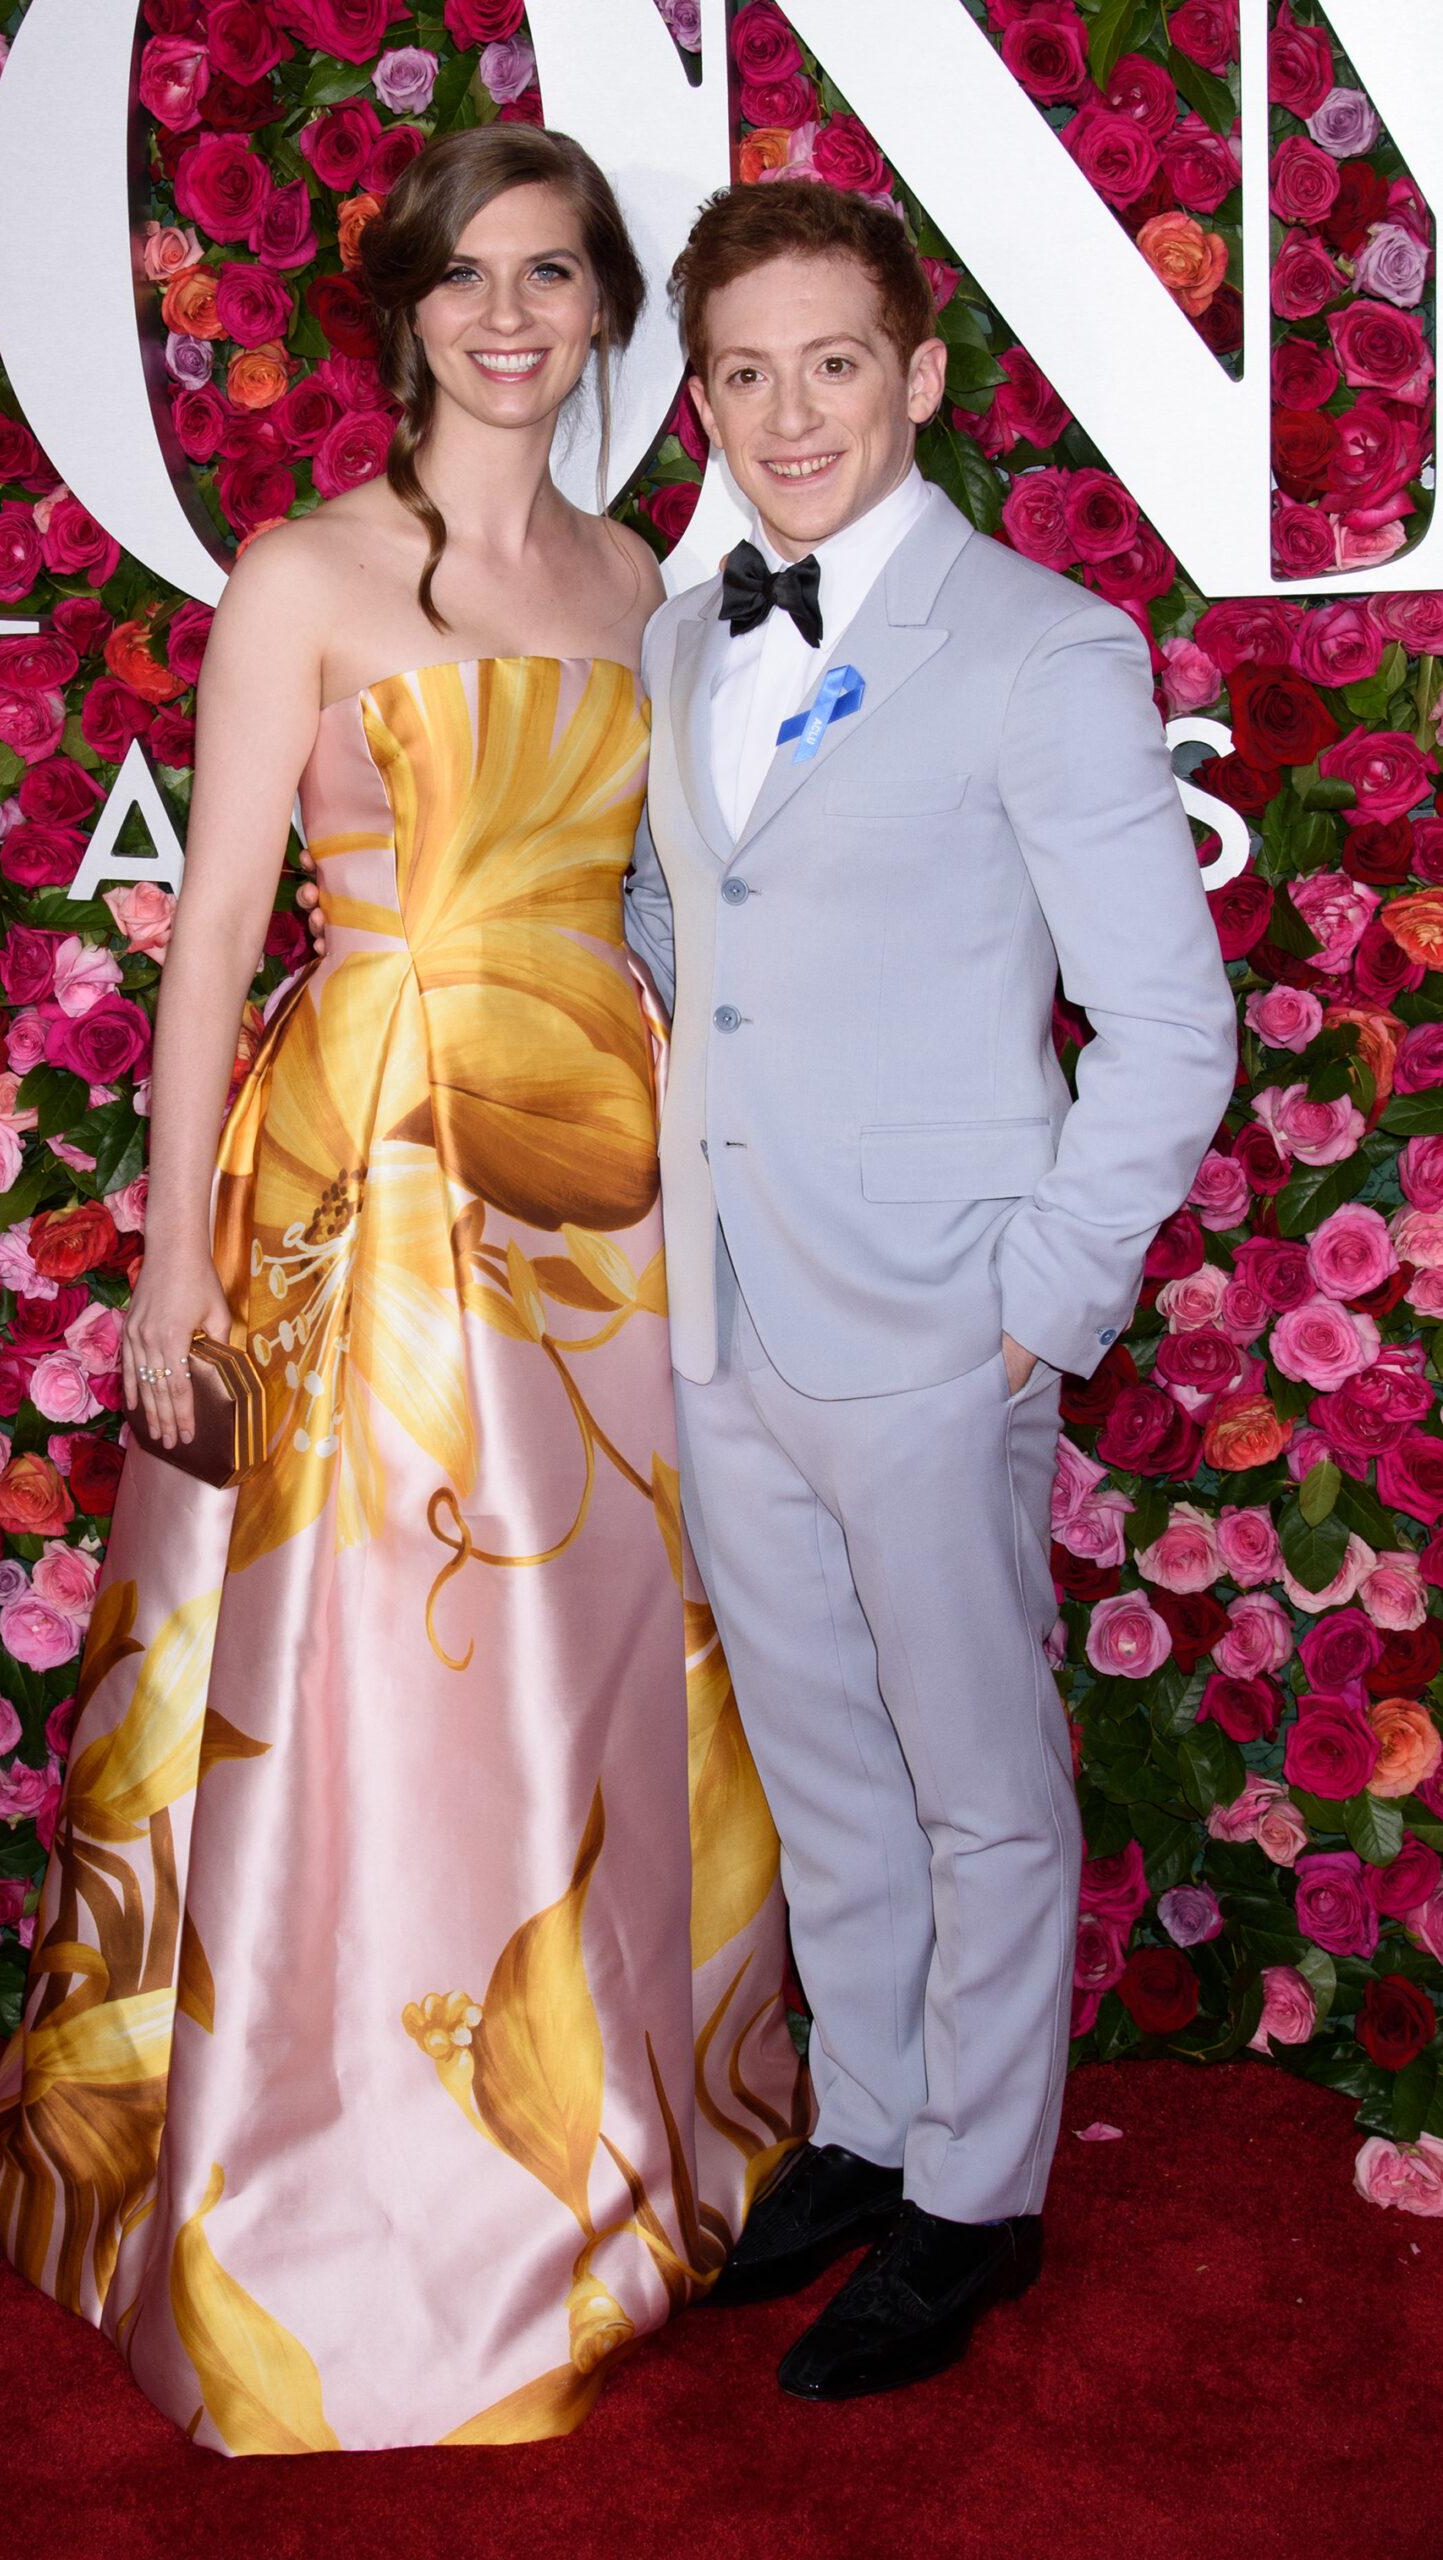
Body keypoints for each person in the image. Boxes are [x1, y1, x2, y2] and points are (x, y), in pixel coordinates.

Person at [0, 127, 806, 2456]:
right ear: (405, 312)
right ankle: (337, 2170)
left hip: (599, 1183)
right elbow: (217, 935)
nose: (509, 316)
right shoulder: (310, 571)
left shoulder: (645, 570)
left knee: (598, 1641)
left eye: (551, 275)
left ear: (606, 308)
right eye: (466, 279)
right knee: (380, 1663)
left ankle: (609, 2120)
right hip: (372, 1172)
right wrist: (167, 1258)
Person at [619, 182, 1237, 2400]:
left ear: (924, 376)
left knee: (977, 1770)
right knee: (821, 1764)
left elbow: (1171, 1029)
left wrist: (1033, 1307)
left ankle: (977, 2193)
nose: (791, 413)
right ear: (701, 394)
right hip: (727, 1313)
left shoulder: (1047, 646)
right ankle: (870, 2124)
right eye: (748, 372)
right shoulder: (685, 639)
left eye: (837, 362)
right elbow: (695, 953)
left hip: (937, 1313)